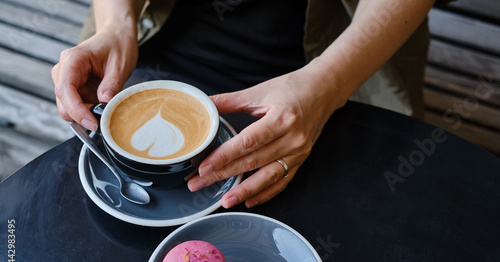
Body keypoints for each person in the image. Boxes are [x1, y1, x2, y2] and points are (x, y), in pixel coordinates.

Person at [52, 0, 452, 209]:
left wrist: (328, 85)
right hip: (150, 44)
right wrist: (117, 23)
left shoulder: (331, 76)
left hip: (336, 61)